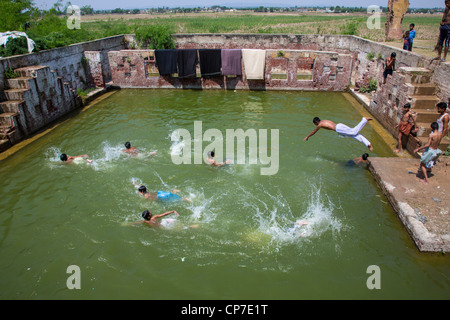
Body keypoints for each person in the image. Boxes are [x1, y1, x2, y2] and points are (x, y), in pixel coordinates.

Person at [304, 117, 373, 151]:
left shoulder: (320, 125)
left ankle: (364, 120)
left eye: (315, 124)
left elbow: (314, 131)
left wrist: (307, 137)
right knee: (354, 135)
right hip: (339, 125)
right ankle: (368, 144)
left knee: (354, 132)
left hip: (338, 129)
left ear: (316, 122)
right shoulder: (324, 121)